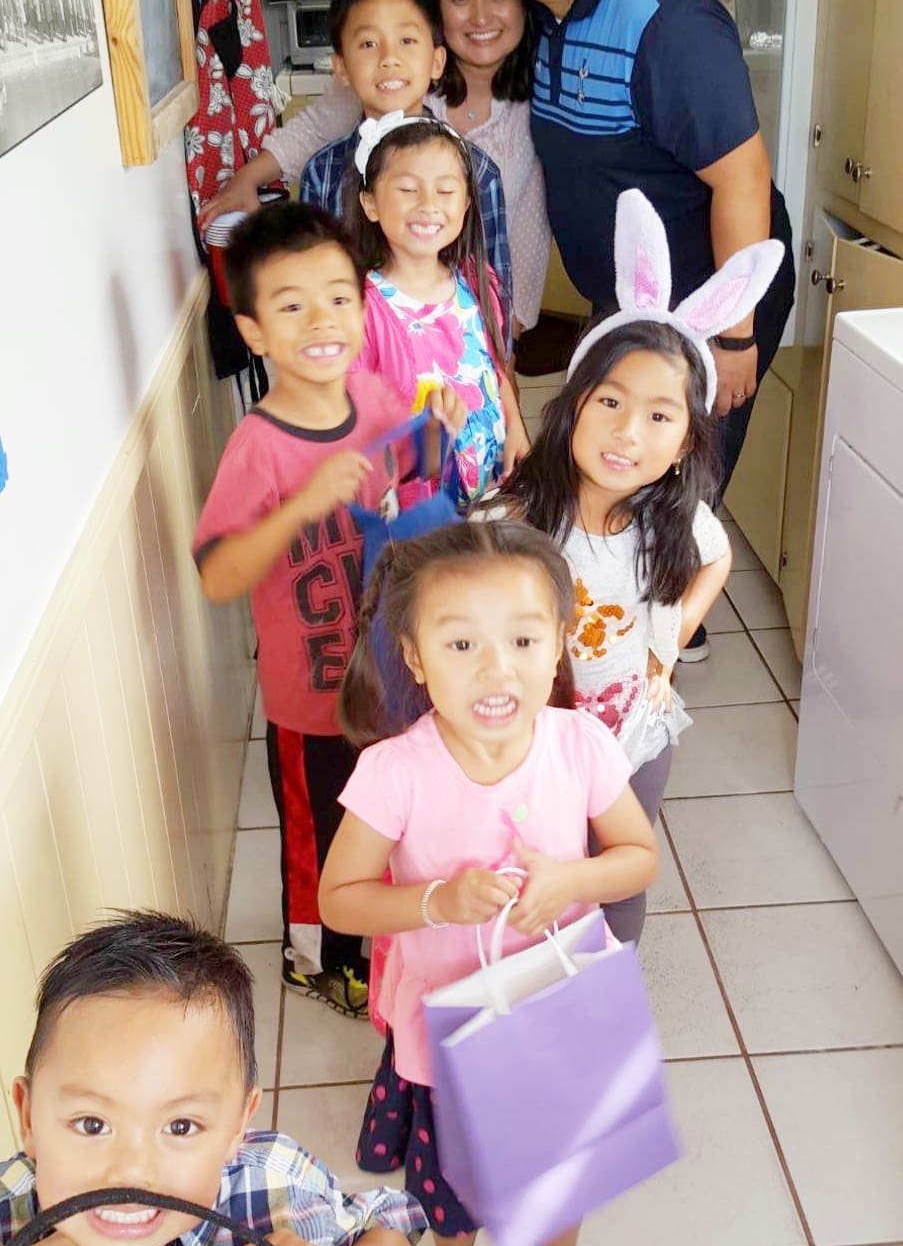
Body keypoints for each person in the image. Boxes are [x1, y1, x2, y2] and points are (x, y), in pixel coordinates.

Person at [319, 520, 659, 1246]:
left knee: (564, 1160)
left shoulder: (579, 745)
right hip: (446, 1031)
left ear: (559, 644)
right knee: (449, 1180)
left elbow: (637, 856)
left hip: (559, 1012)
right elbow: (338, 897)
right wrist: (433, 900)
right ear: (415, 656)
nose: (495, 668)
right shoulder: (395, 770)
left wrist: (571, 880)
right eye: (461, 643)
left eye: (522, 640)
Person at [484, 0, 796, 657]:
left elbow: (741, 179)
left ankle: (649, 665)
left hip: (706, 305)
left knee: (667, 492)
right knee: (606, 475)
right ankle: (608, 637)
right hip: (630, 295)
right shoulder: (545, 11)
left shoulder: (665, 21)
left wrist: (733, 337)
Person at [483, 185, 799, 940]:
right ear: (573, 405)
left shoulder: (676, 518)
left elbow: (716, 559)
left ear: (686, 441)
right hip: (533, 747)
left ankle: (611, 974)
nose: (628, 433)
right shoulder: (515, 516)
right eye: (610, 403)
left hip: (633, 739)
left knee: (619, 872)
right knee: (534, 877)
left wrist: (668, 642)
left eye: (659, 416)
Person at [192, 201, 459, 1013]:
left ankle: (375, 937)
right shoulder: (258, 448)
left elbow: (410, 472)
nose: (321, 321)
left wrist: (436, 434)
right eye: (291, 305)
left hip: (387, 678)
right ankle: (313, 960)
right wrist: (300, 506)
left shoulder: (374, 396)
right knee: (319, 837)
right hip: (309, 699)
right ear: (252, 332)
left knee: (384, 820)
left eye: (338, 298)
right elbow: (217, 576)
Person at [0, 911, 424, 1246]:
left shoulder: (276, 1184)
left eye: (181, 1127)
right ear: (29, 1117)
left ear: (238, 1124)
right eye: (92, 1124)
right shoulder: (10, 1208)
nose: (133, 1171)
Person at [199, 0, 551, 339]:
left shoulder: (484, 162)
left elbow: (495, 289)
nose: (389, 59)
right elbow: (315, 286)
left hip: (450, 362)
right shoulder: (324, 173)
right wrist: (247, 178)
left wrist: (502, 351)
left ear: (433, 59)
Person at [349, 112, 529, 508]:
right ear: (370, 202)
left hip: (492, 489)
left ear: (466, 203)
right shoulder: (361, 308)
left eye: (445, 191)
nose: (428, 205)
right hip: (418, 509)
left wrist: (516, 426)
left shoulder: (477, 281)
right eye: (408, 189)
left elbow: (493, 367)